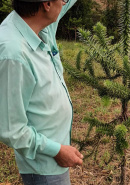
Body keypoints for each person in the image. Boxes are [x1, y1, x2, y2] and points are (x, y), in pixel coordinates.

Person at [0, 0, 83, 184]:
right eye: (62, 0)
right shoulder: (14, 54)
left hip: (53, 160)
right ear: (46, 4)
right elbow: (11, 129)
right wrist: (58, 151)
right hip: (44, 168)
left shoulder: (39, 25)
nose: (64, 3)